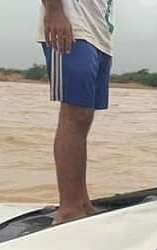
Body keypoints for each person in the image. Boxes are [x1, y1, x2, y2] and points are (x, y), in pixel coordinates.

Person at [38, 0, 115, 223]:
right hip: (73, 25)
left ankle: (81, 201)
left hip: (99, 31)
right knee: (74, 114)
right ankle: (69, 209)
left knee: (84, 118)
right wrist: (55, 11)